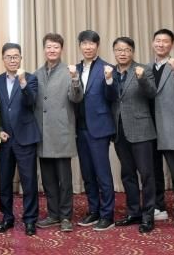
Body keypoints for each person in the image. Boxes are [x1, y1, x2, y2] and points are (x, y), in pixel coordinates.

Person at [33, 34, 83, 232]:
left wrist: (75, 79)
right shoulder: (36, 74)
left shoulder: (69, 72)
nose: (52, 50)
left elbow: (76, 98)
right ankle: (53, 214)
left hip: (62, 132)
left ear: (61, 49)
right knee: (48, 180)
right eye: (48, 47)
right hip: (43, 134)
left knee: (64, 180)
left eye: (55, 47)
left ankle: (66, 217)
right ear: (44, 49)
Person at [111, 37, 158, 234]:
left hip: (141, 129)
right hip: (119, 130)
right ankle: (133, 212)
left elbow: (152, 93)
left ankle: (148, 216)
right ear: (114, 52)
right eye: (119, 50)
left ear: (133, 52)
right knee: (127, 174)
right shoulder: (110, 72)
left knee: (146, 175)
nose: (123, 53)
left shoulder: (143, 69)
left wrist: (142, 78)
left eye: (127, 49)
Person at [146, 29, 174, 229]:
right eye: (158, 40)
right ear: (153, 43)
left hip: (170, 126)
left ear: (172, 45)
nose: (161, 44)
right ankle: (159, 207)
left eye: (165, 41)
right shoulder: (146, 68)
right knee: (154, 171)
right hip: (149, 127)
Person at [0, 43, 39, 236]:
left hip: (26, 138)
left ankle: (30, 220)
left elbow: (31, 101)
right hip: (4, 139)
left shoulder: (31, 79)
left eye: (16, 56)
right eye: (9, 57)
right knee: (4, 181)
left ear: (21, 58)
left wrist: (23, 82)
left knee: (29, 182)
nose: (12, 60)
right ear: (3, 59)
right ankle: (7, 217)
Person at [74, 30, 118, 231]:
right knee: (88, 174)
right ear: (80, 46)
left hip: (99, 128)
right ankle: (94, 211)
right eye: (84, 43)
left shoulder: (107, 68)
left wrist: (109, 80)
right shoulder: (75, 69)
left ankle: (107, 215)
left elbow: (112, 96)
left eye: (92, 43)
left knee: (102, 173)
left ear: (97, 46)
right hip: (80, 128)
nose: (88, 47)